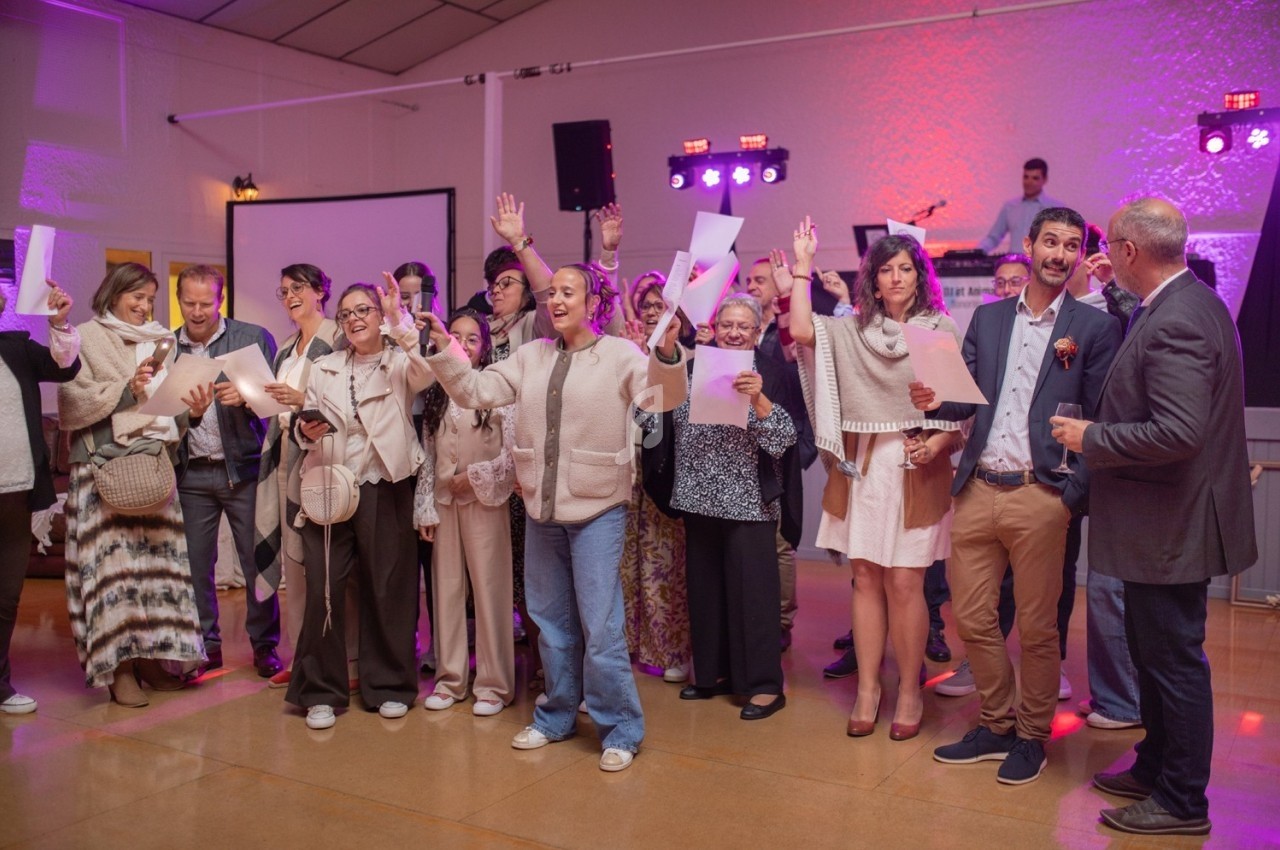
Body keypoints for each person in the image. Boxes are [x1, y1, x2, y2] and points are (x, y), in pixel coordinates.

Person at [422, 261, 687, 773]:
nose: (557, 301)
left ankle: (621, 729)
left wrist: (669, 352)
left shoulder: (621, 355)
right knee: (550, 624)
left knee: (601, 626)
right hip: (541, 509)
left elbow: (662, 399)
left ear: (595, 303)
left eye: (569, 292)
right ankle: (555, 717)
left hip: (598, 507)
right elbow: (473, 391)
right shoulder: (530, 356)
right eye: (553, 294)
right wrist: (444, 347)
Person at [1052, 197, 1257, 836]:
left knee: (1172, 663)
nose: (1105, 256)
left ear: (1130, 251)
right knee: (1152, 655)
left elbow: (1178, 431)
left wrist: (1091, 437)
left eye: (1110, 246)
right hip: (1164, 523)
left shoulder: (1178, 319)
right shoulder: (1182, 302)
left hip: (1171, 524)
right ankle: (1156, 767)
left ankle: (1182, 801)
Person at [913, 207, 1122, 784]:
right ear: (1029, 245)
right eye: (1051, 242)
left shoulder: (1094, 327)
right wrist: (935, 399)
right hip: (978, 488)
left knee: (1037, 628)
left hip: (1041, 495)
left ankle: (1031, 736)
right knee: (973, 619)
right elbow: (966, 398)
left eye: (1071, 245)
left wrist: (1069, 496)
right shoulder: (989, 318)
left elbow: (1102, 417)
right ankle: (997, 723)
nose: (1060, 254)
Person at [790, 224, 962, 741]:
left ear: (920, 276)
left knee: (906, 583)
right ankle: (868, 688)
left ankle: (909, 689)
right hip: (862, 464)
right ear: (873, 280)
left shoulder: (938, 329)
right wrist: (803, 266)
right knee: (865, 577)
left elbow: (959, 409)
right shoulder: (853, 330)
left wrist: (938, 443)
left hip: (916, 465)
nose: (896, 277)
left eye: (905, 268)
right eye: (885, 270)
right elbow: (800, 330)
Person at [57, 262, 212, 707]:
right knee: (113, 574)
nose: (145, 306)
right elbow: (71, 403)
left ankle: (149, 660)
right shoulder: (86, 337)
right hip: (102, 469)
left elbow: (168, 410)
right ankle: (119, 668)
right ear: (114, 293)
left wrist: (192, 412)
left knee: (155, 571)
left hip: (153, 466)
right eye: (137, 297)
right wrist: (128, 387)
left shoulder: (163, 342)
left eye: (150, 298)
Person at [285, 275, 430, 729]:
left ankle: (389, 685)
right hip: (329, 485)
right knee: (323, 587)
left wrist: (401, 322)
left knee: (388, 587)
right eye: (346, 313)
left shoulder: (400, 361)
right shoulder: (325, 366)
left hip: (384, 483)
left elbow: (428, 374)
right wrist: (304, 430)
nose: (353, 319)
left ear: (380, 316)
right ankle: (320, 692)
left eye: (363, 310)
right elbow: (303, 423)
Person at [669, 294, 795, 720]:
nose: (734, 333)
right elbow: (665, 419)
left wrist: (759, 400)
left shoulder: (771, 372)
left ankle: (763, 685)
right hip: (698, 495)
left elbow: (785, 440)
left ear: (757, 333)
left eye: (744, 326)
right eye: (727, 325)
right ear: (715, 328)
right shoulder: (691, 369)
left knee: (753, 596)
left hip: (748, 500)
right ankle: (712, 674)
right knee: (705, 592)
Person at [173, 265, 283, 679]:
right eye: (189, 303)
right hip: (193, 474)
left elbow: (275, 405)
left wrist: (248, 396)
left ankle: (264, 645)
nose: (197, 311)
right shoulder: (169, 347)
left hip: (246, 469)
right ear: (179, 300)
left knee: (257, 561)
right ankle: (207, 645)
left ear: (220, 300)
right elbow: (163, 415)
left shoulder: (252, 337)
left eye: (206, 303)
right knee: (196, 565)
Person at [255, 263, 355, 691]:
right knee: (294, 565)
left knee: (328, 564)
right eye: (283, 291)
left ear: (320, 292)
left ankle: (346, 660)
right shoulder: (285, 349)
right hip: (284, 456)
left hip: (323, 460)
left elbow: (345, 400)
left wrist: (301, 400)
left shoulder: (338, 337)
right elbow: (278, 407)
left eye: (298, 288)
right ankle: (300, 656)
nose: (290, 296)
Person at [415, 309, 516, 717]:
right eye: (455, 336)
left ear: (484, 347)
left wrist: (473, 478)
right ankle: (450, 678)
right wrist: (425, 505)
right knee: (446, 591)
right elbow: (428, 455)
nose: (463, 344)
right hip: (444, 505)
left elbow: (512, 456)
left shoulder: (499, 390)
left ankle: (493, 684)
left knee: (491, 591)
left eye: (472, 339)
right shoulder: (436, 392)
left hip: (485, 503)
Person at [0, 279, 80, 715]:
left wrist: (60, 323)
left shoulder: (15, 348)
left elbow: (64, 368)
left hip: (15, 490)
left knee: (6, 596)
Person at [618, 273, 692, 684]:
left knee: (664, 566)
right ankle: (629, 644)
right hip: (625, 471)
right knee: (624, 566)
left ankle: (670, 650)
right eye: (645, 305)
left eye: (659, 306)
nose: (651, 312)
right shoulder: (623, 353)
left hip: (666, 473)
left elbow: (669, 412)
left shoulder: (685, 357)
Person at [743, 255, 814, 652]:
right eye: (749, 280)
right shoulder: (745, 326)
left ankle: (783, 620)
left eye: (760, 280)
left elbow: (797, 361)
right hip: (745, 447)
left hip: (785, 441)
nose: (752, 286)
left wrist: (791, 292)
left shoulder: (783, 329)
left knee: (781, 539)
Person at [977, 158, 1065, 255]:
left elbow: (1063, 240)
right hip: (1014, 262)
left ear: (1045, 180)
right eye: (1026, 177)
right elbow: (994, 237)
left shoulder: (1056, 209)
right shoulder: (1010, 207)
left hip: (1043, 263)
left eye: (1035, 178)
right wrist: (977, 251)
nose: (1029, 182)